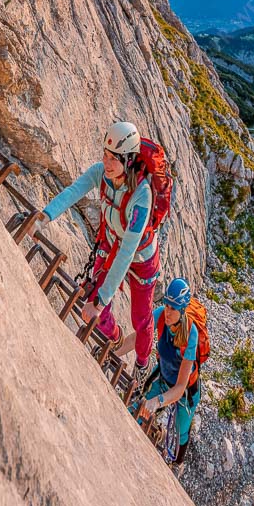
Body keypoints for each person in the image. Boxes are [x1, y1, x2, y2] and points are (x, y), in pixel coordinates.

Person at [34, 121, 161, 373]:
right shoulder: (100, 174)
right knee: (91, 308)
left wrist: (102, 300)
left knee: (141, 318)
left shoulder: (142, 196)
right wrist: (44, 216)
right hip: (112, 245)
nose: (106, 162)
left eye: (113, 158)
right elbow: (73, 192)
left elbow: (127, 253)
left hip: (142, 260)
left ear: (128, 160)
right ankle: (114, 339)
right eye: (105, 154)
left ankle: (142, 363)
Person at [137, 278, 203, 473]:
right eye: (166, 304)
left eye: (173, 308)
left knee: (181, 432)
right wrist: (116, 346)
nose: (167, 311)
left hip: (186, 393)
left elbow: (180, 388)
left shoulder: (191, 335)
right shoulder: (160, 317)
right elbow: (139, 337)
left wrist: (157, 402)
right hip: (164, 380)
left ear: (182, 311)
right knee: (140, 412)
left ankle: (177, 465)